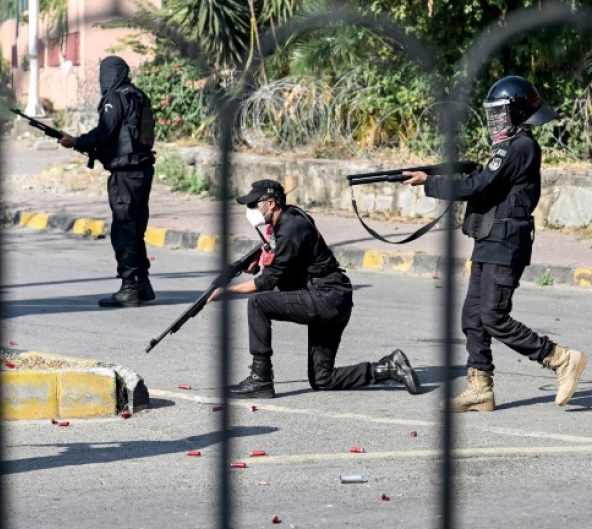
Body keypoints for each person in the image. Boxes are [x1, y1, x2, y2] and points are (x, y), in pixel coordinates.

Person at [402, 75, 586, 411]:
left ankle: (560, 359)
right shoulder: (507, 146)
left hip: (507, 243)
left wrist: (431, 183)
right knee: (472, 316)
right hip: (490, 238)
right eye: (493, 114)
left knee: (493, 316)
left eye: (501, 113)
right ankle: (481, 388)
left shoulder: (520, 147)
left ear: (517, 113)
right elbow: (483, 183)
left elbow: (478, 185)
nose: (495, 120)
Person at [206, 180, 422, 399]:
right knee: (322, 379)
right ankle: (388, 368)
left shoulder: (290, 228)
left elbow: (267, 282)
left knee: (258, 304)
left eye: (254, 204)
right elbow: (282, 266)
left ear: (270, 203)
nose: (250, 210)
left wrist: (227, 291)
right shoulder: (289, 219)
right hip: (333, 298)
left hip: (325, 298)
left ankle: (260, 379)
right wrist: (255, 267)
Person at [58, 56, 156, 307]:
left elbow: (104, 132)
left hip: (125, 175)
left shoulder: (116, 98)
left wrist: (77, 142)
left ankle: (129, 288)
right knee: (135, 228)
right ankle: (142, 284)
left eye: (105, 73)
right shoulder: (137, 95)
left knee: (124, 229)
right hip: (142, 170)